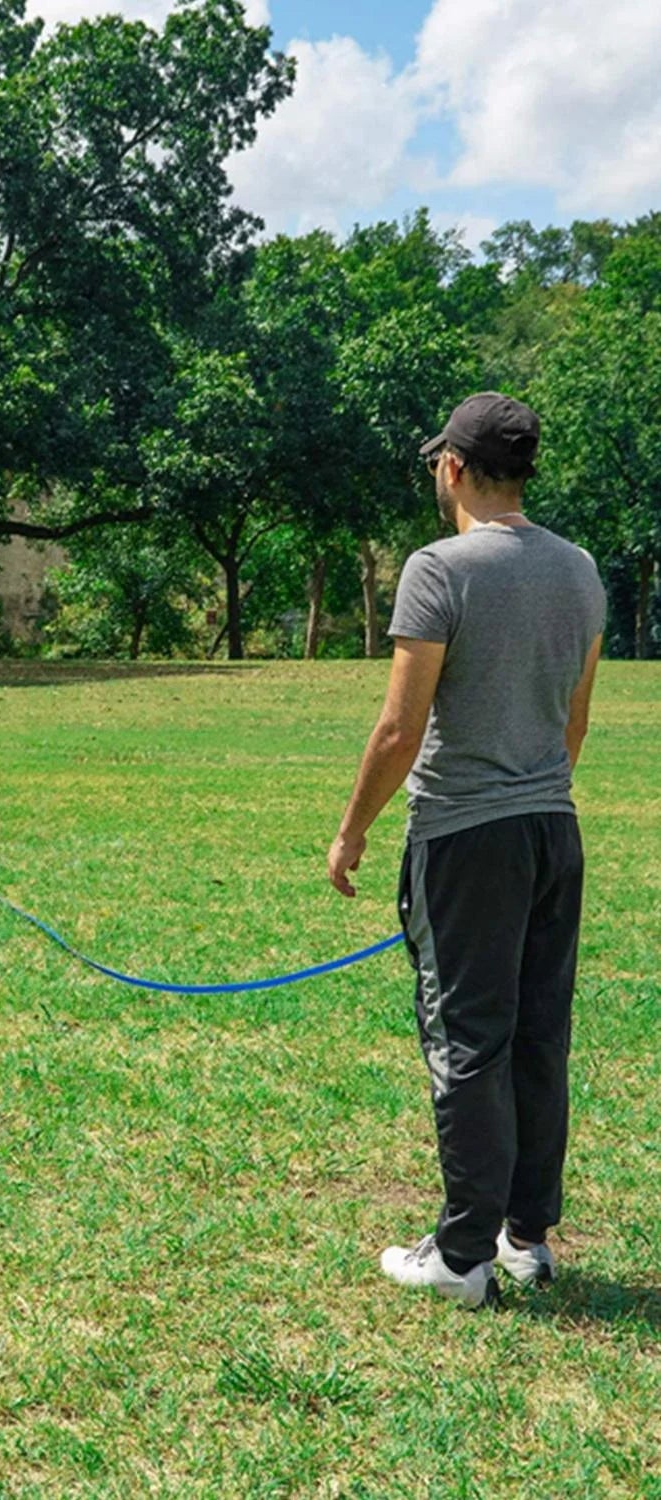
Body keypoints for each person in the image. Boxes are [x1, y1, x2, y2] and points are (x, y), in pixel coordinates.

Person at [327, 392, 606, 1310]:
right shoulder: (579, 571)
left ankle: (460, 1257)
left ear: (452, 467)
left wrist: (353, 828)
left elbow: (399, 728)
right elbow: (574, 726)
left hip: (463, 835)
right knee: (536, 1035)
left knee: (466, 1039)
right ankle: (526, 1239)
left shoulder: (438, 569)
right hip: (550, 831)